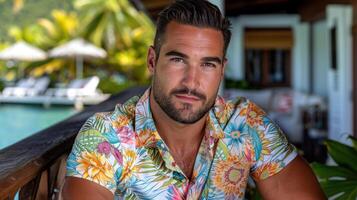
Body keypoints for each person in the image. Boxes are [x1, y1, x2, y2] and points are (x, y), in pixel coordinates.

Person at [62, 0, 326, 199]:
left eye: (208, 65)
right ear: (152, 61)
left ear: (222, 70)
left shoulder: (245, 125)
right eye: (178, 60)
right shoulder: (107, 137)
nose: (192, 81)